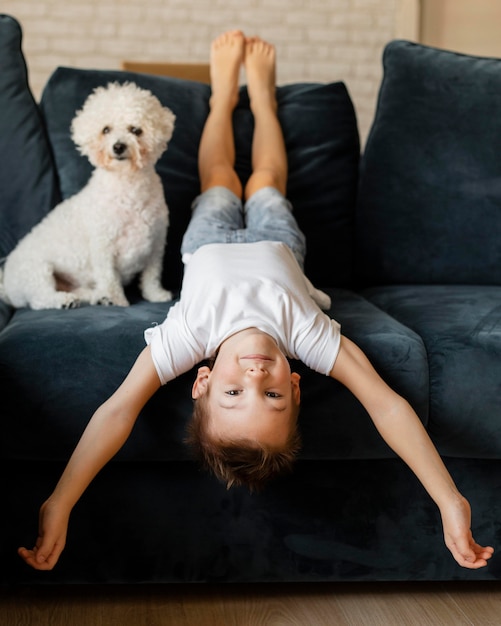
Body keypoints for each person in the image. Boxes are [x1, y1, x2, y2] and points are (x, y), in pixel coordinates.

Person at [18, 31, 494, 572]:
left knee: (218, 179)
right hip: (278, 242)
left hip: (207, 243)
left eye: (232, 392)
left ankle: (223, 96)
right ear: (295, 385)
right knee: (267, 179)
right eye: (271, 395)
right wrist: (449, 499)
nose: (255, 374)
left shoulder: (187, 337)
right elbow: (386, 406)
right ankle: (263, 101)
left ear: (200, 382)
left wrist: (60, 500)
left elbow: (117, 411)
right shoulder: (308, 338)